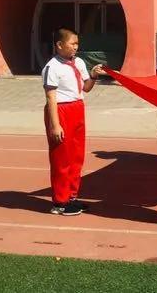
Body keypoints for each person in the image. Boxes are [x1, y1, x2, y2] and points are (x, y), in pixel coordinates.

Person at [42, 27, 104, 216]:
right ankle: (60, 202)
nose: (76, 47)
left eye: (77, 43)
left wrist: (93, 75)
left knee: (76, 156)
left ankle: (71, 196)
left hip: (77, 108)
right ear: (60, 45)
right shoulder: (52, 67)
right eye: (72, 43)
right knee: (61, 157)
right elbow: (51, 97)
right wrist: (55, 124)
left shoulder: (79, 62)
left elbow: (86, 88)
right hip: (61, 110)